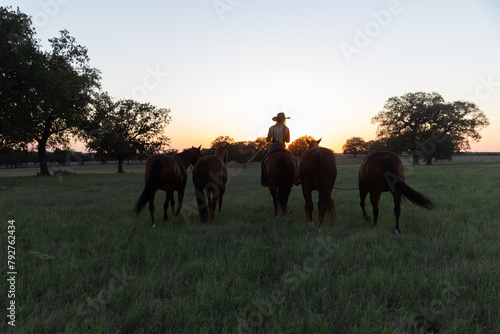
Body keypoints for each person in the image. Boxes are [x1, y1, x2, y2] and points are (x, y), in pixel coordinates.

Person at [261, 112, 300, 186]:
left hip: (274, 147)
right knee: (295, 162)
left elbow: (269, 139)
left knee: (263, 162)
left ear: (277, 120)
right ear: (283, 120)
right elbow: (288, 140)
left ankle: (264, 180)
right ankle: (296, 179)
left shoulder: (271, 128)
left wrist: (268, 139)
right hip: (283, 147)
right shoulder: (286, 129)